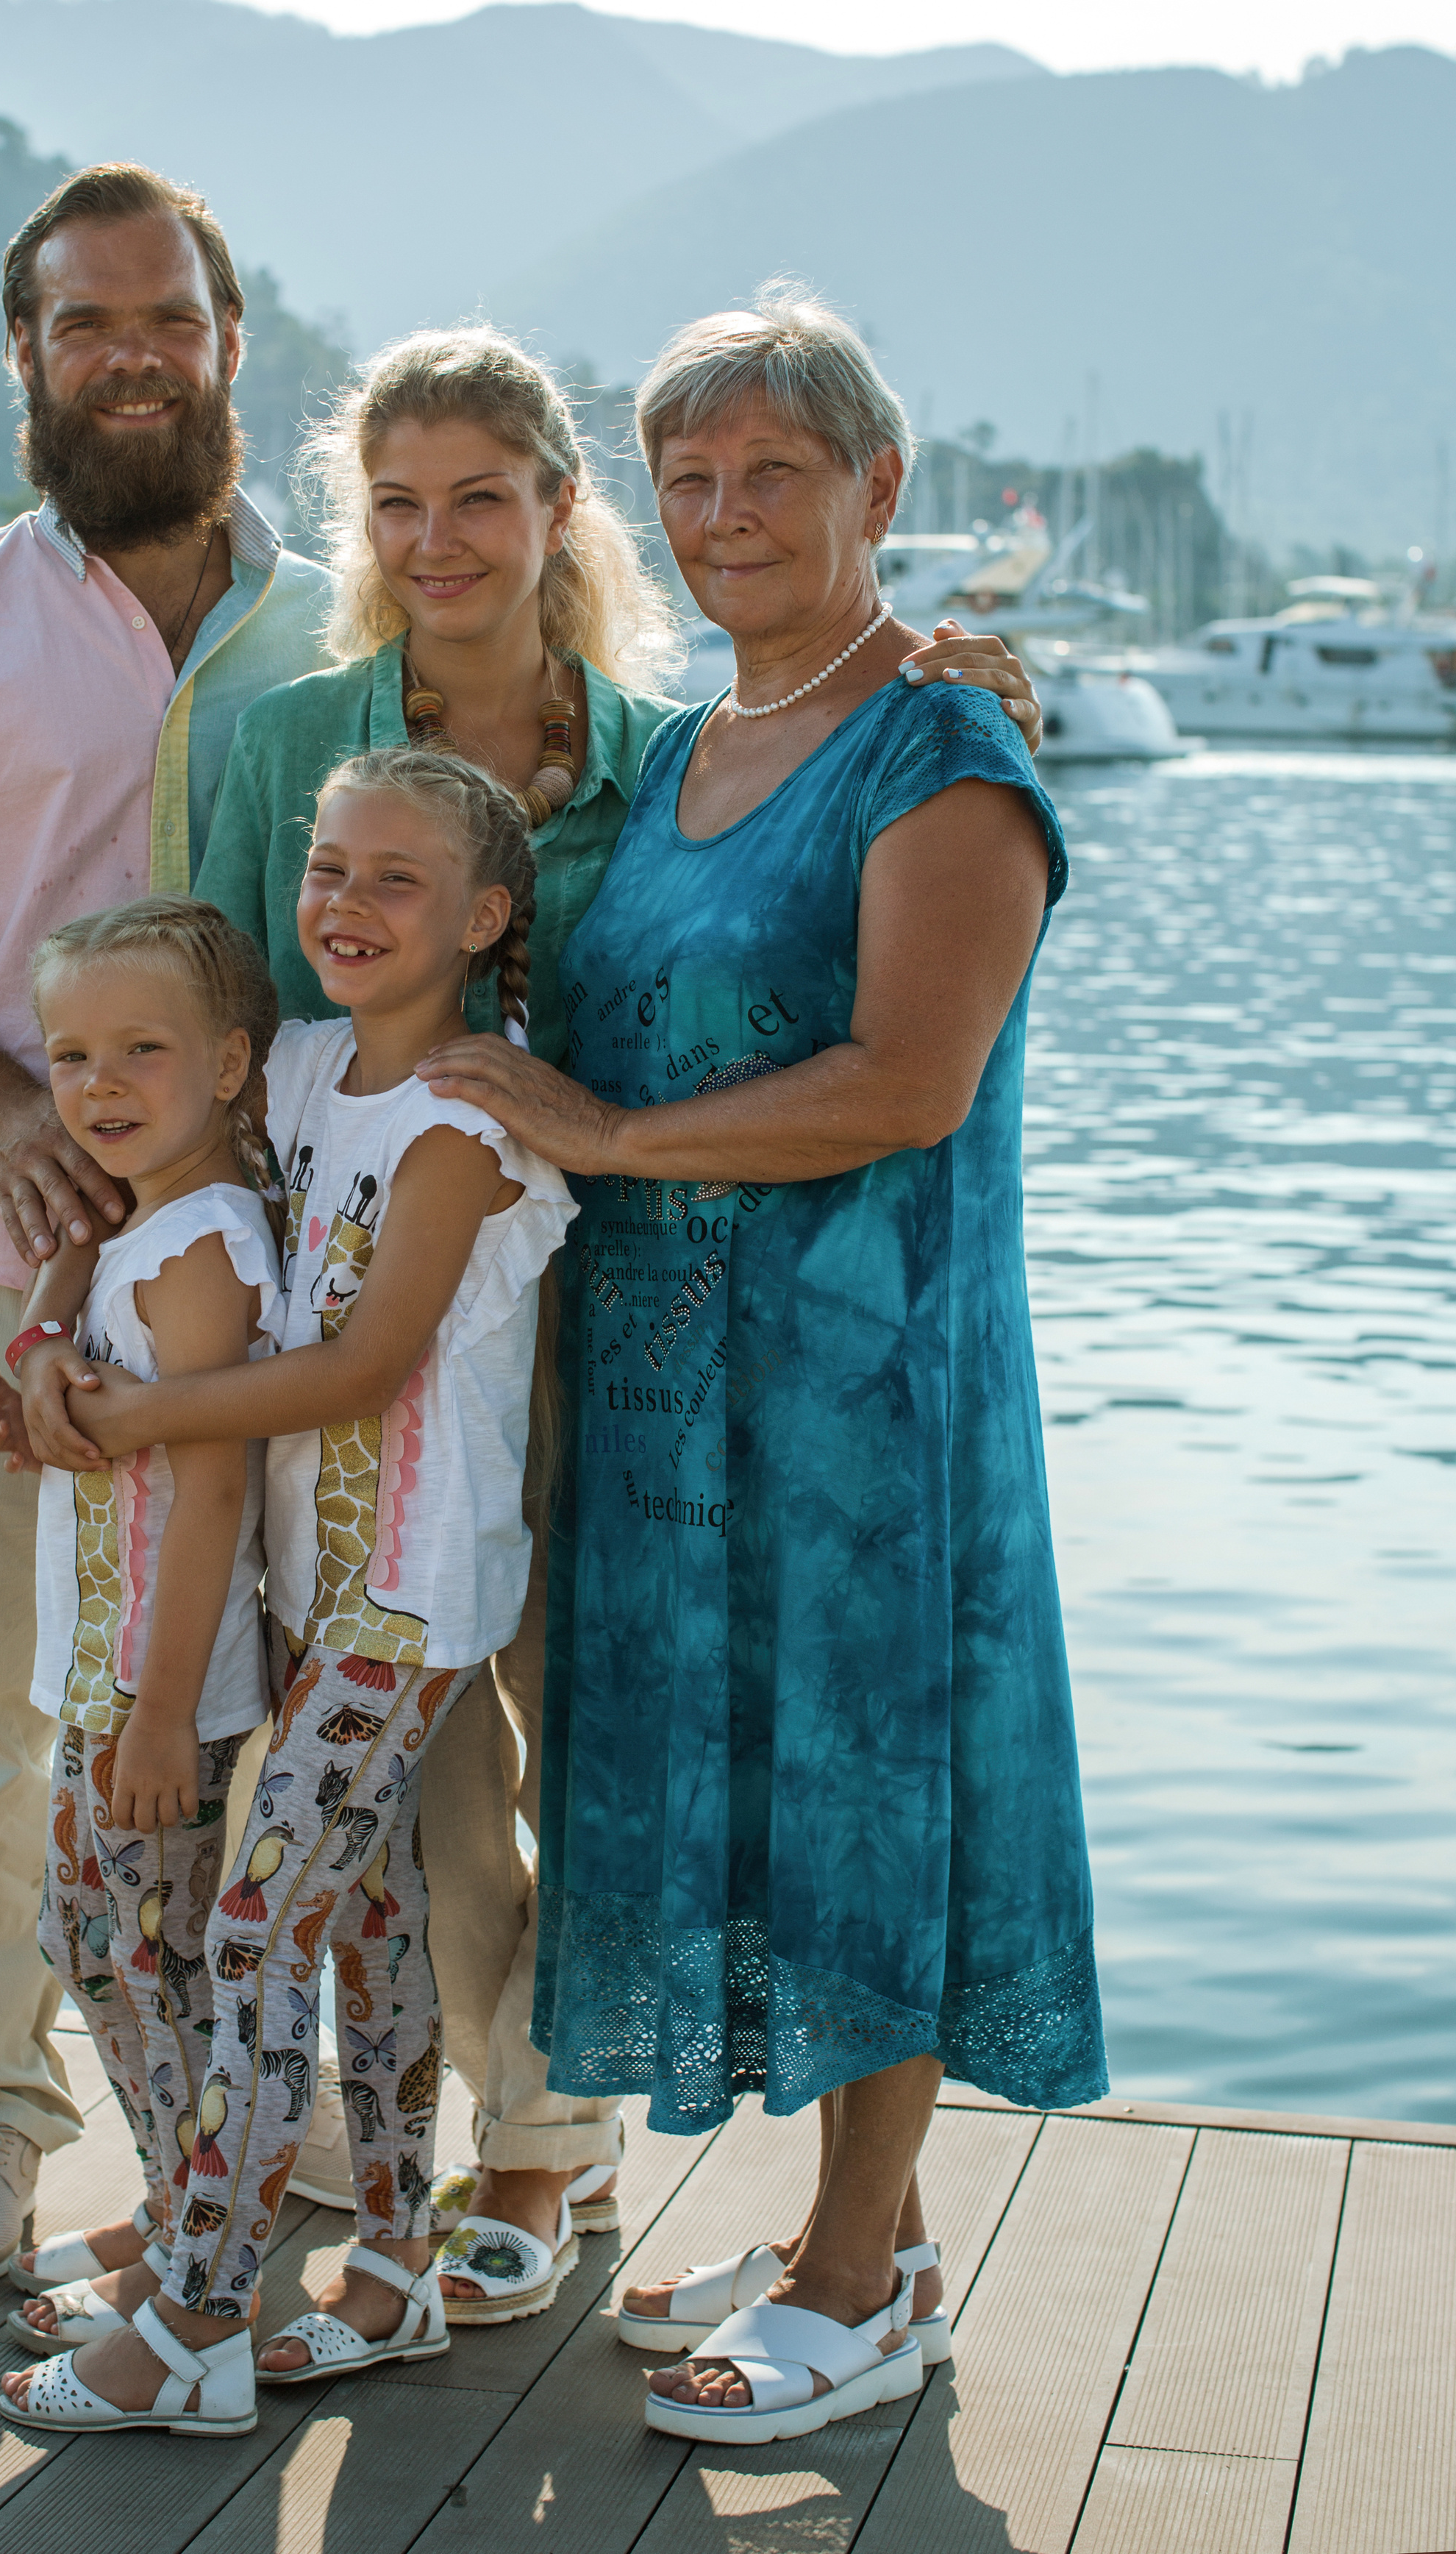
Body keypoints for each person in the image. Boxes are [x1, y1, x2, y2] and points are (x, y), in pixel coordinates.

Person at [192, 324, 1049, 2317]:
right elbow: (241, 1040)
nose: (437, 538)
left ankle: (615, 2177)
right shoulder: (328, 747)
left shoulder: (670, 749)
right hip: (440, 1354)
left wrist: (947, 677)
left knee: (727, 1765)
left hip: (705, 1350)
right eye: (397, 503)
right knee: (511, 1763)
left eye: (481, 494)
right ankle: (806, 2231)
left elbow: (890, 1049)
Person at [416, 291, 1107, 2444]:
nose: (723, 518)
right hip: (665, 1409)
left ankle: (861, 2275)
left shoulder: (943, 749)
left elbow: (905, 1083)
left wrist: (612, 1142)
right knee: (732, 1801)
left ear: (878, 491)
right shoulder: (688, 745)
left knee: (864, 1811)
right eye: (690, 481)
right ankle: (855, 2237)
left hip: (864, 1405)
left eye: (772, 476)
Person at [0, 162, 332, 2286]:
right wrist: (9, 1104)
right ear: (25, 360)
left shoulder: (341, 615)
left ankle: (281, 2119)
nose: (132, 358)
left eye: (169, 321)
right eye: (86, 325)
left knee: (306, 1682)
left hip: (303, 1266)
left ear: (227, 345)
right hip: (3, 1256)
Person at [0, 748, 575, 2433]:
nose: (346, 903)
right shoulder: (303, 1064)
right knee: (366, 1919)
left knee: (251, 1935)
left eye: (395, 879)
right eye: (329, 870)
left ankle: (192, 2319)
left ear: (479, 918)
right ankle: (387, 2263)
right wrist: (44, 1324)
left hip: (406, 1600)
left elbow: (368, 1364)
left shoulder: (469, 1112)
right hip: (319, 1591)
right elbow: (124, 1178)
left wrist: (134, 1417)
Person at [0, 897, 283, 2353]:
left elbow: (215, 1486)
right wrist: (40, 1331)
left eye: (140, 1052)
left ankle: (190, 2246)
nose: (98, 1087)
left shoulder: (199, 1252)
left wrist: (165, 1711)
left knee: (136, 1955)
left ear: (228, 1068)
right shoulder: (139, 1219)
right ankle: (178, 2204)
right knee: (97, 1938)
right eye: (68, 1057)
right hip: (110, 1680)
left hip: (160, 1690)